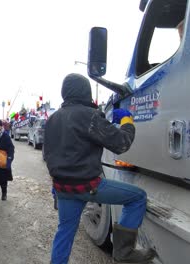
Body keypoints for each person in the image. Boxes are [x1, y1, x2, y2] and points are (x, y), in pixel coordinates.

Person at [44, 73, 156, 264]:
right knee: (138, 197)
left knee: (64, 232)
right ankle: (124, 252)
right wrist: (127, 121)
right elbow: (121, 144)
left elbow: (48, 154)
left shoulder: (52, 119)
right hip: (89, 186)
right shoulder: (90, 115)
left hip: (63, 188)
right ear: (86, 92)